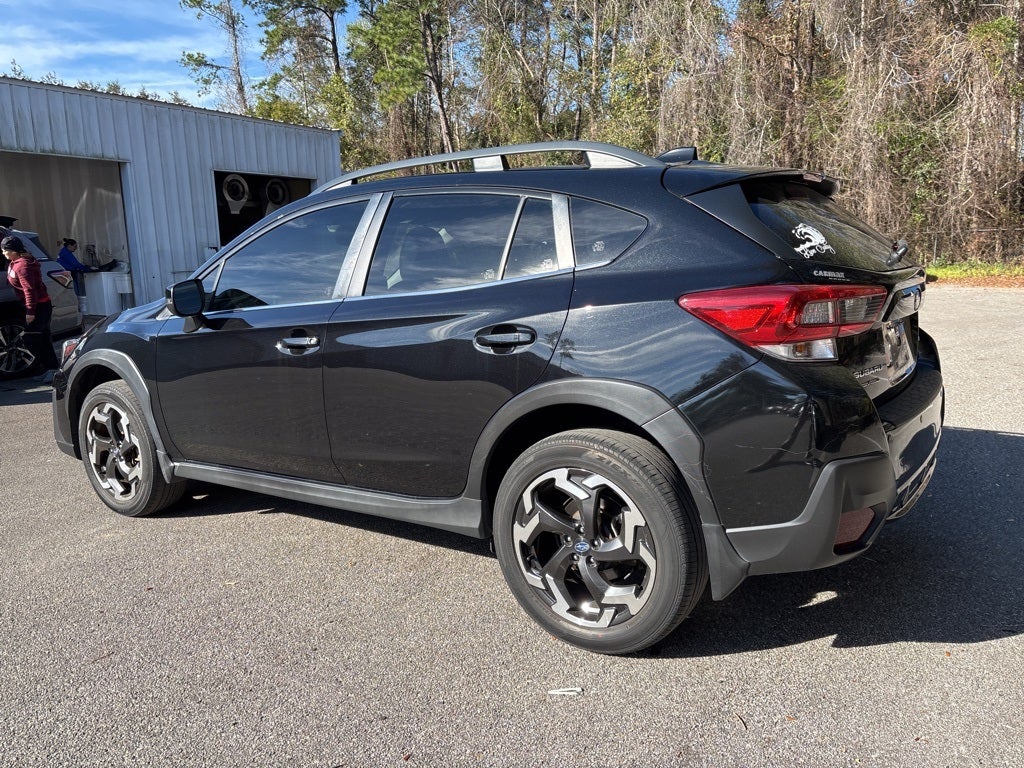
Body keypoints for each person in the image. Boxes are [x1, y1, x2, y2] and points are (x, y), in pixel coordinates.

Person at [3, 234, 59, 382]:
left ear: (12, 250)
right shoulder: (15, 262)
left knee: (33, 338)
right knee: (42, 338)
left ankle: (52, 369)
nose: (3, 253)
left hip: (39, 306)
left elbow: (29, 290)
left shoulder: (23, 266)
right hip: (37, 305)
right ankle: (48, 368)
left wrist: (30, 311)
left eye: (4, 250)